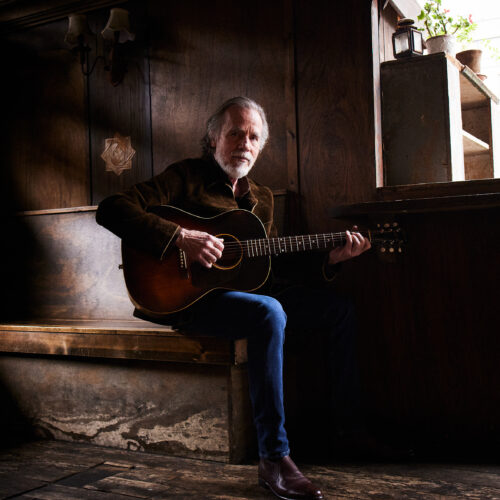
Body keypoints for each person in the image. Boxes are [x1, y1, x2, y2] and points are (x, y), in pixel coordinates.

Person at [96, 96, 371, 500]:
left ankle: (349, 431)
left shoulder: (262, 198)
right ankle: (274, 458)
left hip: (249, 298)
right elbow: (112, 208)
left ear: (260, 147)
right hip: (187, 299)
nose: (245, 142)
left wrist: (330, 258)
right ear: (212, 138)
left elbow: (270, 265)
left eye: (254, 136)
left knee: (338, 311)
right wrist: (180, 238)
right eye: (235, 133)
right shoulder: (185, 177)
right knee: (269, 312)